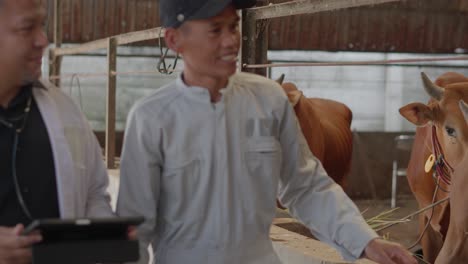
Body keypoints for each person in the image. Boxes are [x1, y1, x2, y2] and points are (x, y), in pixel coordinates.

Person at [116, 1, 417, 264]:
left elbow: (306, 187)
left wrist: (366, 242)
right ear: (174, 39)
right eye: (215, 30)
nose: (231, 40)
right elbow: (136, 227)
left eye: (233, 27)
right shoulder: (151, 118)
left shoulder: (268, 100)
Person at [0, 0, 113, 263]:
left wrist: (106, 233)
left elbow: (94, 193)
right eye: (27, 28)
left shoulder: (64, 111)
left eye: (42, 25)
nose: (43, 40)